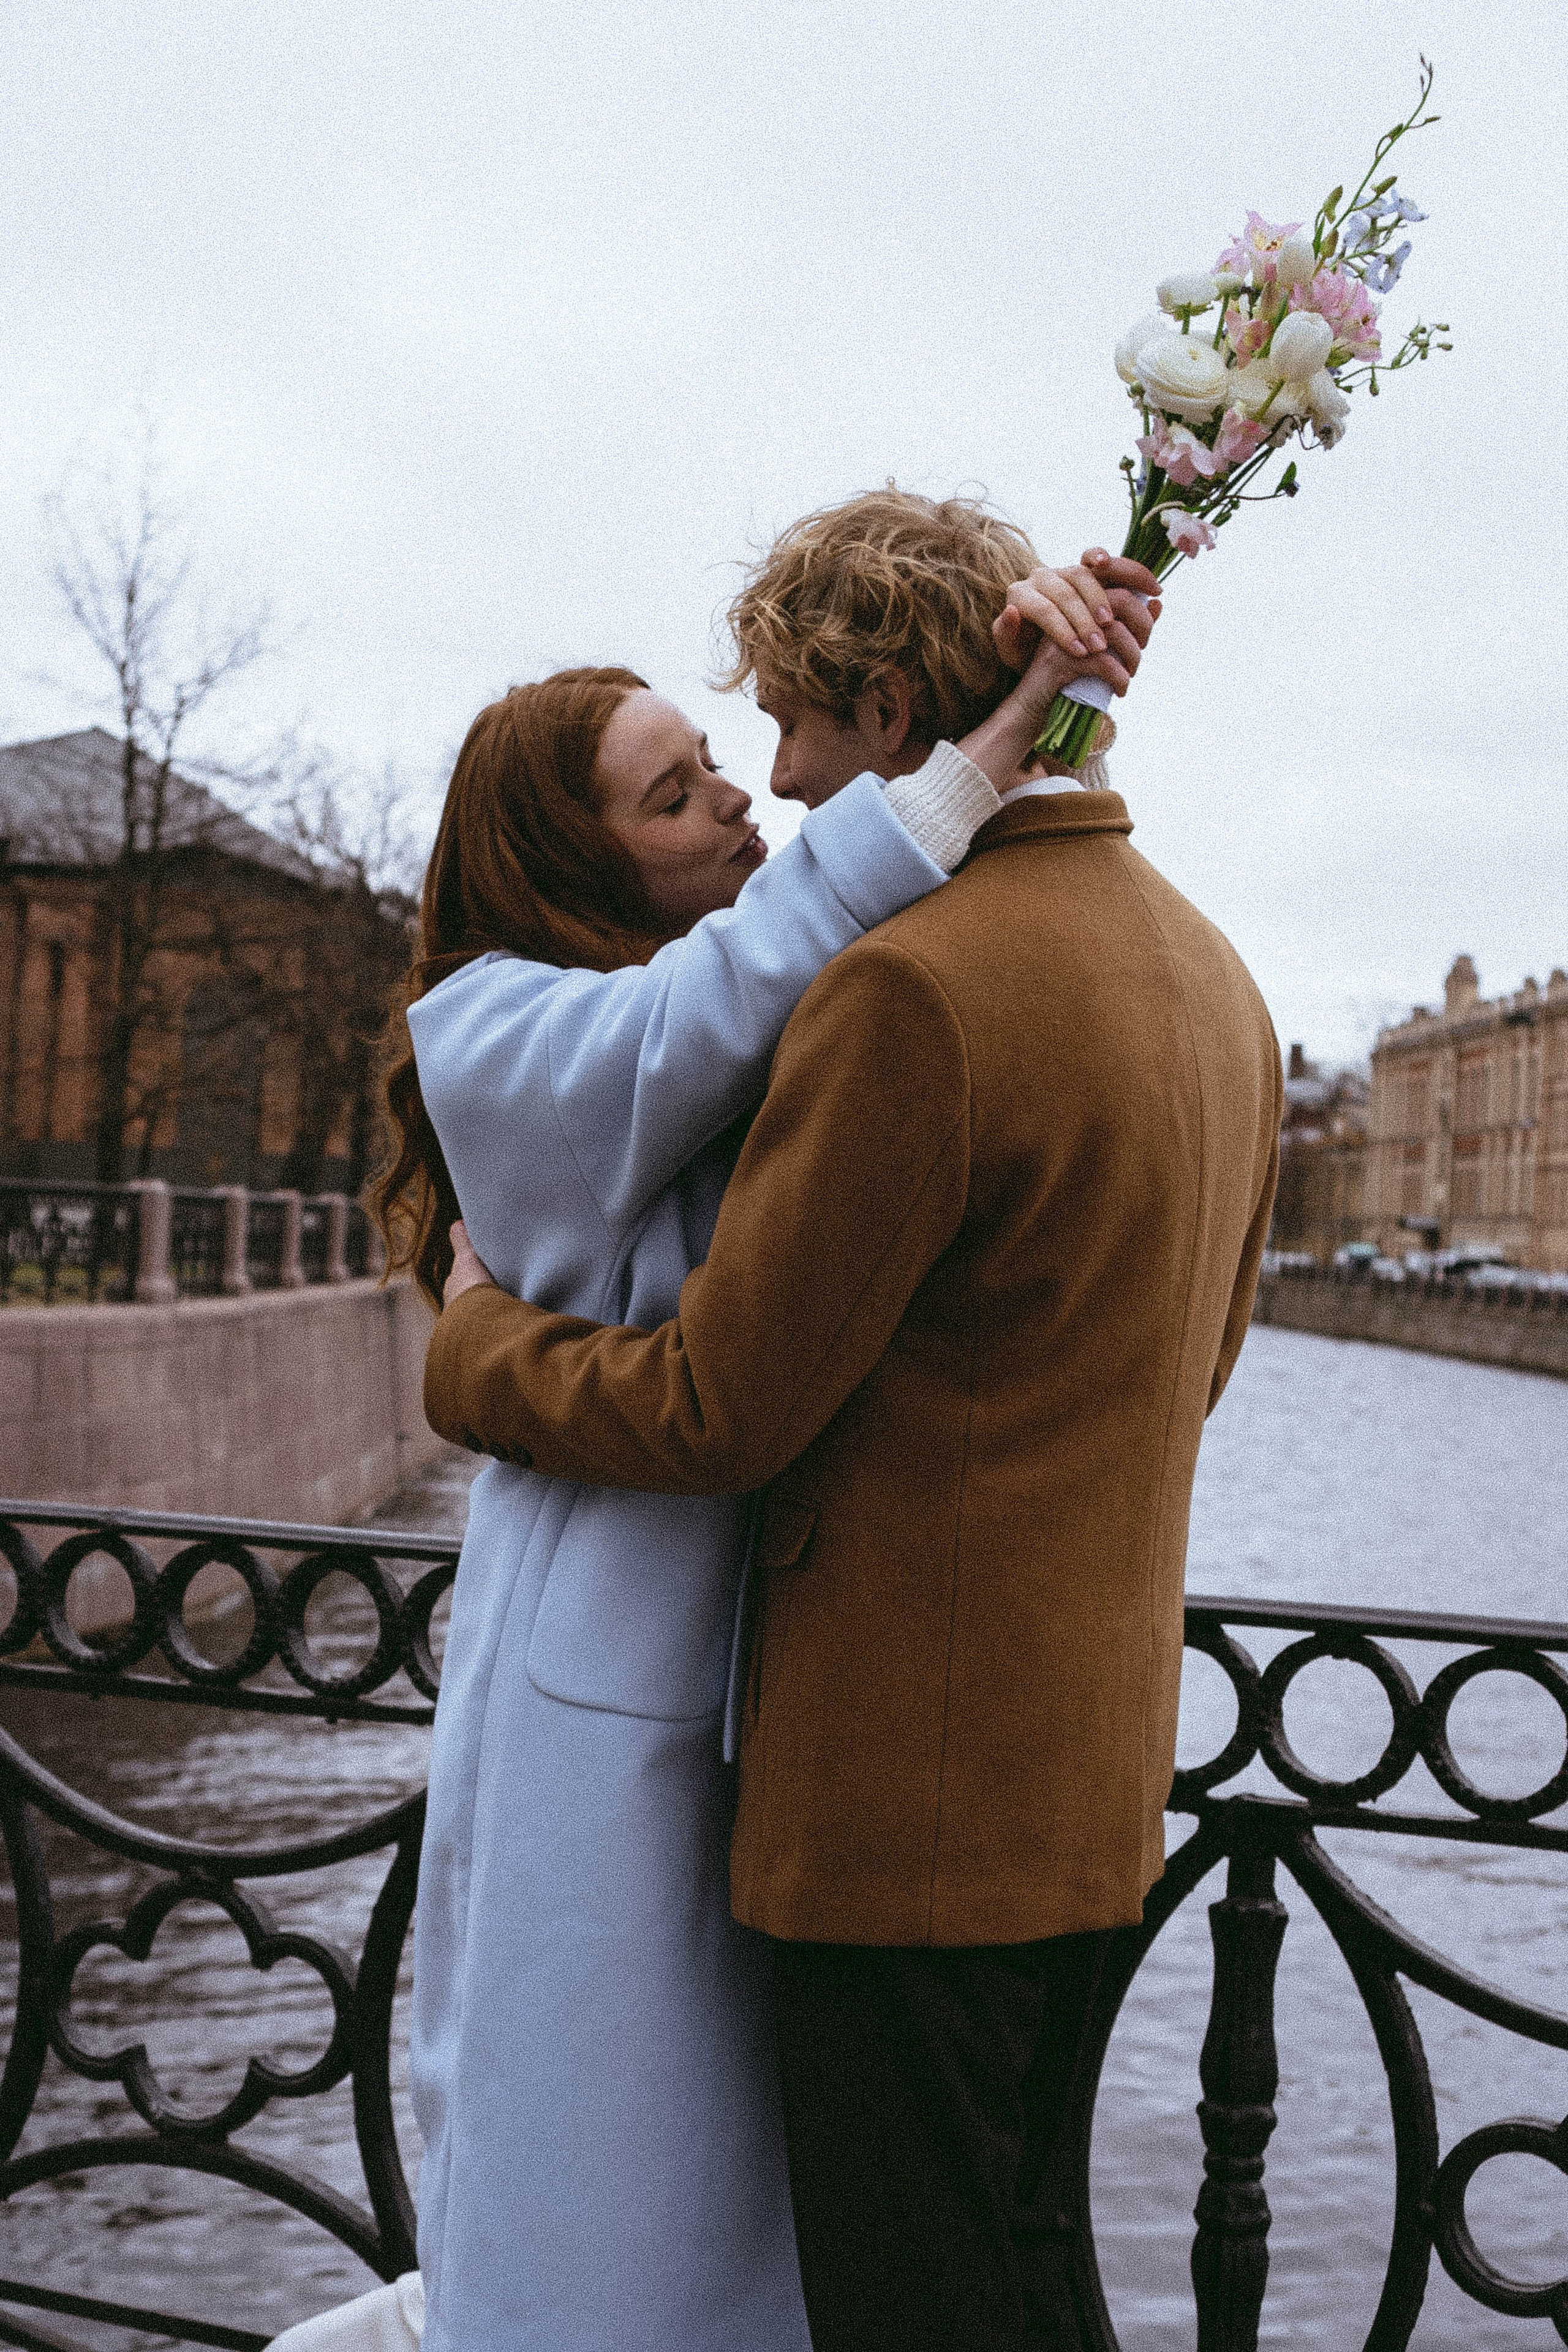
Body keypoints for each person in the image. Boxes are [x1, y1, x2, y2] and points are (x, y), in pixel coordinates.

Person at [423, 489, 1280, 2352]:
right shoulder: (1220, 981)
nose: (783, 778)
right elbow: (1202, 1366)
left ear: (896, 713)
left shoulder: (907, 989)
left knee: (921, 2301)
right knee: (1031, 2264)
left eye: (798, 724)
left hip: (900, 1805)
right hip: (1093, 1778)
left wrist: (473, 1349)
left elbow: (728, 1400)